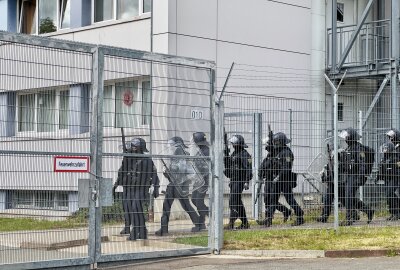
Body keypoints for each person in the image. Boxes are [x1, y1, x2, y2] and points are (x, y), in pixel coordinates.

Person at [155, 136, 201, 236]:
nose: (170, 147)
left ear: (178, 145)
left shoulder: (184, 155)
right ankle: (164, 229)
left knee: (186, 206)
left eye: (172, 145)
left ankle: (198, 224)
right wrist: (167, 172)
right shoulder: (174, 156)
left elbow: (186, 171)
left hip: (181, 185)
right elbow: (172, 172)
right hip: (172, 185)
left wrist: (173, 170)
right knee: (166, 206)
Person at [264, 132, 304, 227]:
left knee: (290, 200)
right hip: (276, 180)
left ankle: (300, 216)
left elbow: (286, 168)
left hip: (285, 180)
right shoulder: (277, 151)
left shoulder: (287, 152)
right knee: (273, 200)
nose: (275, 143)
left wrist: (278, 177)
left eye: (276, 141)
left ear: (281, 142)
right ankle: (268, 219)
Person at [125, 138, 160, 241]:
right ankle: (143, 231)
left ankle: (135, 232)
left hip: (142, 189)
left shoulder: (147, 160)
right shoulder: (132, 159)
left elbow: (154, 175)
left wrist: (155, 187)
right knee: (137, 211)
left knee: (136, 209)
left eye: (135, 146)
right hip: (132, 188)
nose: (133, 148)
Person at [338, 127, 374, 226]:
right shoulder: (348, 148)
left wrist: (360, 178)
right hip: (349, 176)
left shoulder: (359, 148)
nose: (345, 140)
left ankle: (349, 218)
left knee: (349, 196)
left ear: (350, 138)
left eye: (346, 138)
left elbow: (363, 164)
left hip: (355, 176)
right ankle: (368, 211)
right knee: (348, 197)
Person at [258, 135, 291, 225]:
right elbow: (264, 165)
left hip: (275, 179)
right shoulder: (270, 154)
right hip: (268, 179)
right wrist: (260, 174)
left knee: (272, 200)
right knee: (267, 199)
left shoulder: (278, 153)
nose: (267, 147)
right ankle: (285, 211)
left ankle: (268, 219)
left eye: (269, 145)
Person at [224, 134, 252, 230]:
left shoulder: (245, 154)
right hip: (233, 180)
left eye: (234, 144)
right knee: (238, 202)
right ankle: (245, 223)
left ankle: (231, 223)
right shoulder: (234, 153)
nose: (233, 145)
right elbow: (229, 165)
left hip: (240, 181)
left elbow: (249, 169)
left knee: (233, 202)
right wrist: (226, 155)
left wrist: (247, 181)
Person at [190, 132, 210, 231]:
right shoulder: (201, 150)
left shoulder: (206, 151)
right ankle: (208, 215)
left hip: (204, 180)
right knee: (194, 199)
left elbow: (206, 167)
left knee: (198, 201)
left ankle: (202, 223)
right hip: (198, 179)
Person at [383, 128, 400, 220]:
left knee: (390, 193)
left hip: (396, 175)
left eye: (391, 137)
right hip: (389, 175)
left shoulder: (398, 148)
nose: (390, 139)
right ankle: (394, 212)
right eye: (389, 137)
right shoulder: (390, 147)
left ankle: (396, 213)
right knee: (389, 194)